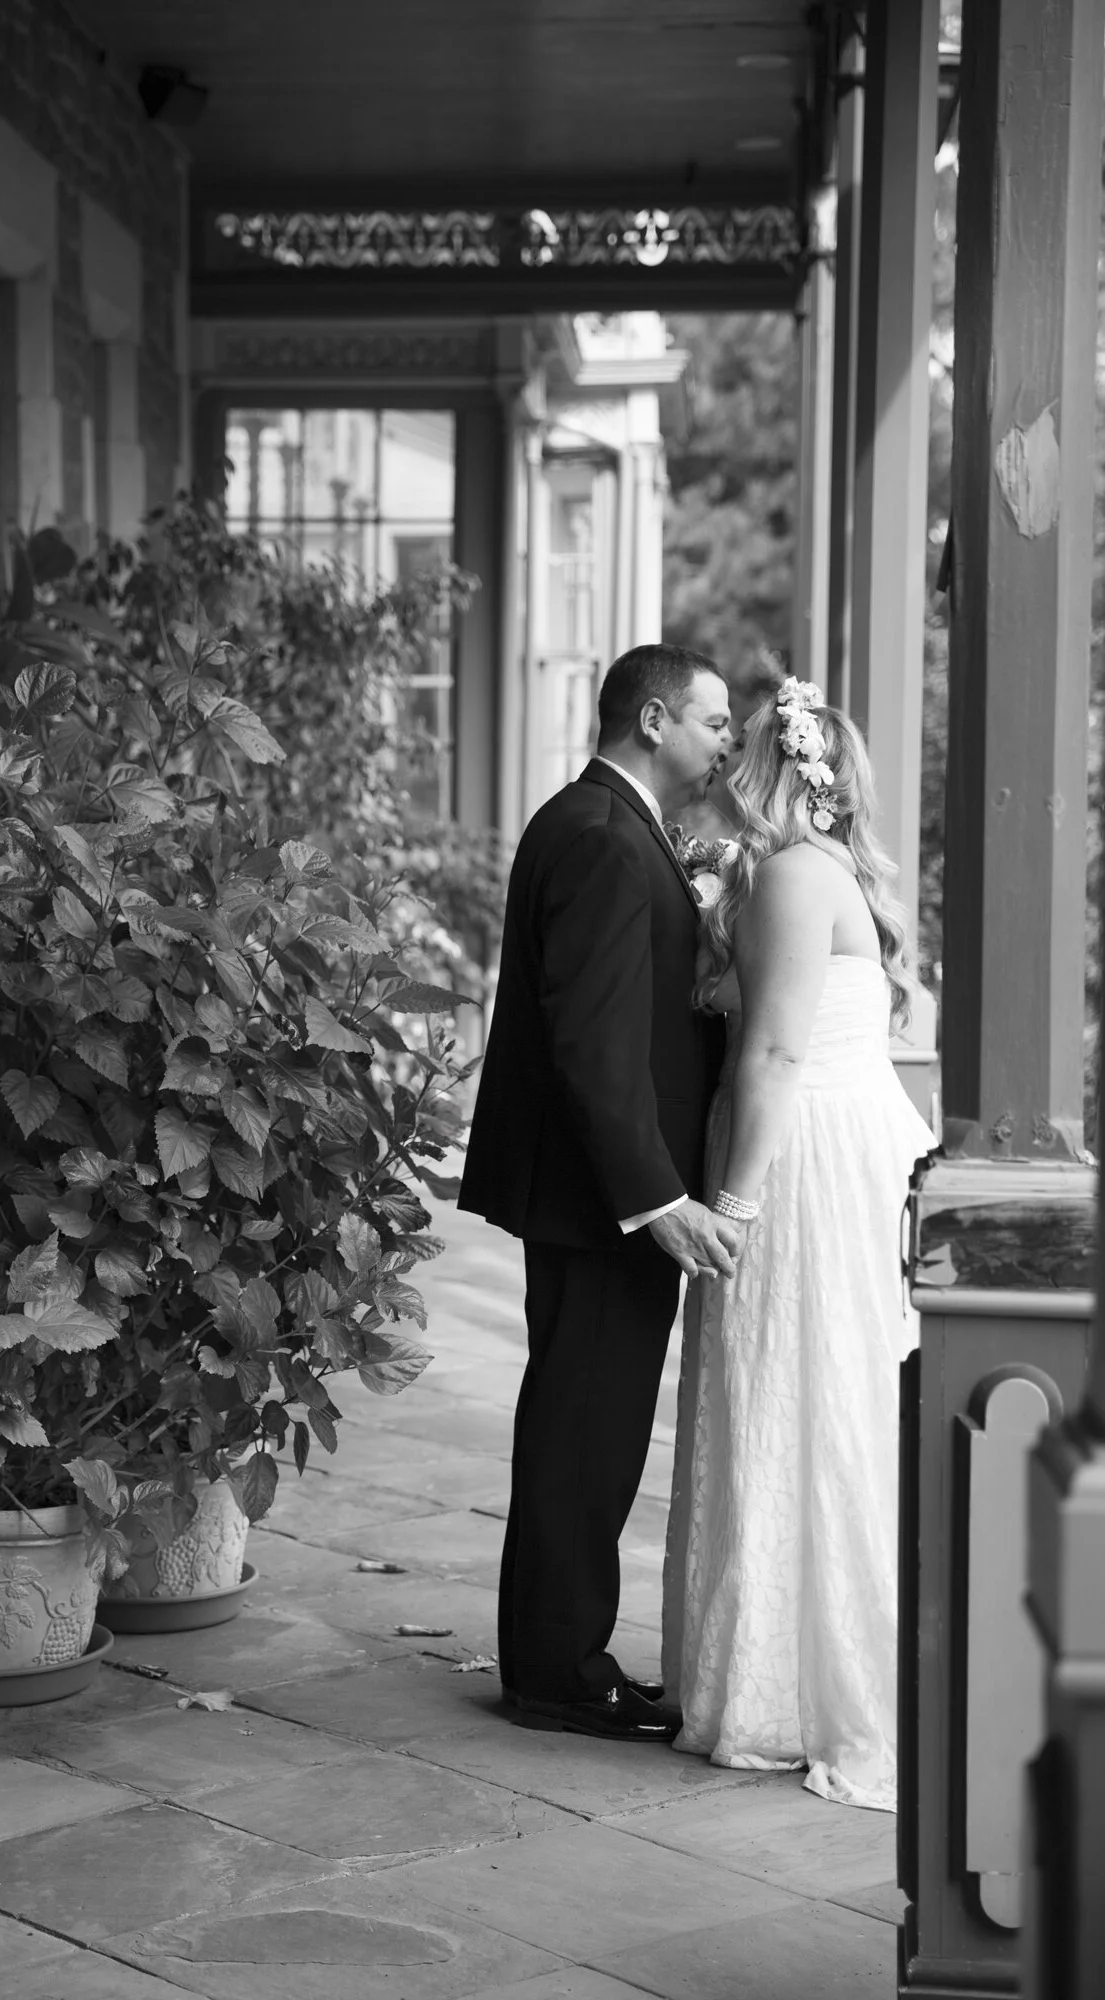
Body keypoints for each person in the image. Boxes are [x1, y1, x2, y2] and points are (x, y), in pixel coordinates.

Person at [459, 643, 739, 1740]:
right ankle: (557, 1674)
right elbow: (591, 1040)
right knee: (584, 1430)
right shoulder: (601, 835)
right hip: (598, 1200)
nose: (727, 741)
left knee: (586, 1423)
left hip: (594, 1194)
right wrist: (656, 1198)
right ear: (654, 720)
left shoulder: (609, 823)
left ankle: (554, 1656)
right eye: (713, 721)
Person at [662, 679, 934, 1809]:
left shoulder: (787, 878)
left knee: (791, 1393)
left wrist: (733, 1203)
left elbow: (773, 1056)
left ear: (771, 770)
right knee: (833, 1399)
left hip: (800, 1159)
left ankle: (791, 1688)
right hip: (849, 1139)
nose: (723, 761)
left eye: (740, 750)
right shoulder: (828, 874)